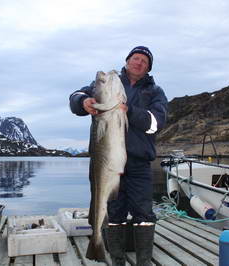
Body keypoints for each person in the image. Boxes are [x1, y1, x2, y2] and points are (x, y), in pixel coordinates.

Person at [69, 46, 168, 266]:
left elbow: (155, 123)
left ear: (148, 68)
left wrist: (129, 110)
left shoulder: (154, 92)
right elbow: (76, 96)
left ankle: (143, 262)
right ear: (127, 60)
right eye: (135, 58)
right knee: (114, 215)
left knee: (144, 215)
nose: (139, 62)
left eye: (144, 61)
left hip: (138, 164)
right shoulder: (112, 84)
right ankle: (112, 257)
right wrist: (83, 102)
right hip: (106, 165)